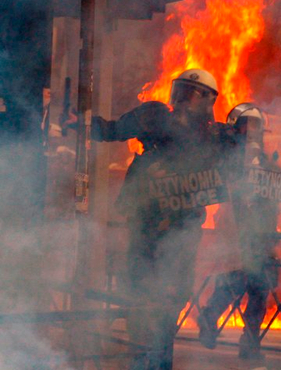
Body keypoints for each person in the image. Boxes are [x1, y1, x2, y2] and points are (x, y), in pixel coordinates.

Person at [94, 68, 233, 370]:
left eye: (193, 94)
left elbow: (239, 164)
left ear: (209, 101)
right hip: (146, 222)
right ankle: (143, 357)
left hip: (183, 226)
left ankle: (156, 357)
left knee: (172, 296)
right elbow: (111, 130)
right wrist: (82, 124)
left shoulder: (215, 135)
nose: (184, 101)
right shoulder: (156, 117)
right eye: (182, 91)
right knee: (139, 293)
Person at [196, 104, 281, 360]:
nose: (252, 132)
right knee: (236, 279)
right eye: (247, 126)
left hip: (261, 233)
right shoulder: (224, 156)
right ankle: (210, 317)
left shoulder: (265, 161)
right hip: (236, 230)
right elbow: (218, 183)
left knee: (259, 288)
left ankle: (250, 344)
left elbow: (275, 193)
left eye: (256, 127)